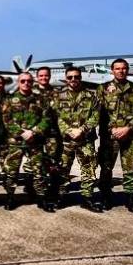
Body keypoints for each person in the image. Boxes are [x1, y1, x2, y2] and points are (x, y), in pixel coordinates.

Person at [99, 58, 133, 212]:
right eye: (117, 68)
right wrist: (112, 129)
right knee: (106, 168)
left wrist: (129, 128)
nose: (121, 71)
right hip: (110, 136)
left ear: (127, 70)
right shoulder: (103, 89)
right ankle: (106, 198)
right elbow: (99, 113)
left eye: (124, 68)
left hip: (130, 136)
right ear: (112, 70)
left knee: (131, 168)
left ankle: (130, 199)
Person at [0, 72, 52, 211]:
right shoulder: (9, 100)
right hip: (15, 142)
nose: (26, 83)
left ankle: (41, 198)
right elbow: (6, 120)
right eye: (23, 81)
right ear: (18, 82)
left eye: (29, 81)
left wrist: (34, 132)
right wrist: (22, 133)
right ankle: (10, 197)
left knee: (38, 171)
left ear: (32, 82)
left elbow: (46, 119)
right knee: (12, 172)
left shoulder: (40, 99)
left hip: (35, 141)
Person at [53, 67, 102, 212]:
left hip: (85, 140)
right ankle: (61, 197)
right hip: (65, 140)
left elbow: (96, 116)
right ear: (66, 78)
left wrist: (82, 130)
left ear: (80, 78)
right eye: (70, 77)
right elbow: (56, 117)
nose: (73, 80)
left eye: (76, 77)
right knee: (62, 169)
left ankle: (87, 198)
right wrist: (69, 130)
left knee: (89, 169)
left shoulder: (91, 96)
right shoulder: (59, 97)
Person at [33, 66, 62, 209]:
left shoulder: (56, 94)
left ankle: (53, 194)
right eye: (41, 76)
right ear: (37, 77)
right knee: (37, 166)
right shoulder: (31, 93)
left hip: (52, 135)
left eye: (46, 76)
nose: (44, 78)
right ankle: (40, 195)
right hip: (36, 135)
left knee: (53, 165)